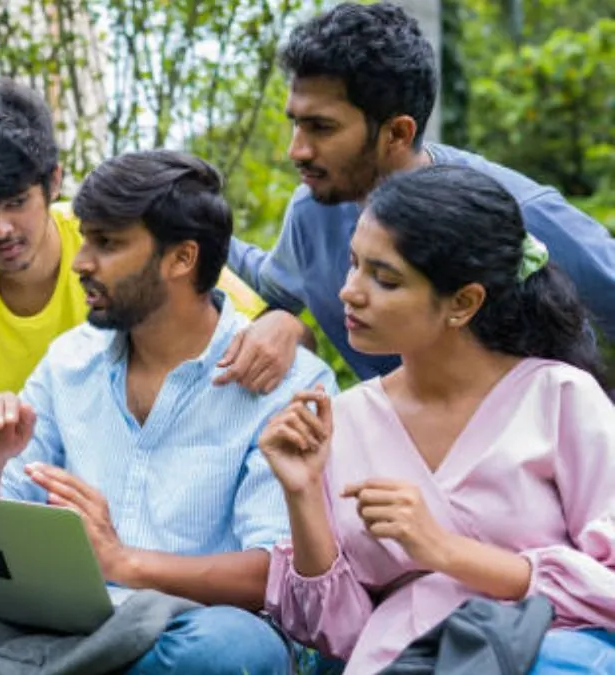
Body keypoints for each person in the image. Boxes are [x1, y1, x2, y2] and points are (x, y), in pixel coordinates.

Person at [0, 150, 338, 674]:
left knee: (227, 651)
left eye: (107, 243)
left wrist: (121, 563)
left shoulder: (287, 383)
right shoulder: (69, 361)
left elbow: (274, 575)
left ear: (181, 259)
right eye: (86, 238)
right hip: (73, 623)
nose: (81, 261)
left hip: (193, 627)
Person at [260, 165, 615, 674]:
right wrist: (302, 491)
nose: (349, 292)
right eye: (353, 265)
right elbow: (337, 636)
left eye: (384, 279)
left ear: (464, 302)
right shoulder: (343, 420)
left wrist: (444, 550)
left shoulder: (559, 398)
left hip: (546, 657)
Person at [0, 77, 287, 470]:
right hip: (31, 508)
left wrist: (282, 325)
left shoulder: (119, 239)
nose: (1, 228)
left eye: (16, 202)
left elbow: (258, 329)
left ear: (53, 181)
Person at [224, 1, 615, 383]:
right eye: (295, 123)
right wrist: (283, 321)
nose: (297, 150)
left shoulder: (517, 213)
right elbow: (270, 287)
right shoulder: (314, 212)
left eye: (321, 127)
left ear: (398, 132)